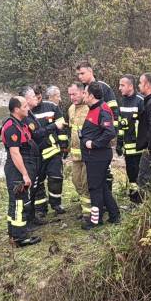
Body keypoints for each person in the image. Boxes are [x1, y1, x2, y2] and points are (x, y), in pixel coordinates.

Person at [0, 95, 41, 247]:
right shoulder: (11, 127)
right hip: (16, 169)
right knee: (19, 203)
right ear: (16, 109)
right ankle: (19, 238)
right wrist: (24, 174)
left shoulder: (20, 123)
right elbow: (15, 153)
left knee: (16, 202)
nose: (28, 108)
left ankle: (14, 234)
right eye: (25, 107)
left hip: (22, 165)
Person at [80, 83, 121, 230]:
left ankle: (95, 220)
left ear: (91, 96)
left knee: (94, 188)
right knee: (101, 186)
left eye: (85, 93)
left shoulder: (103, 109)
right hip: (93, 156)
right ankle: (115, 215)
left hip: (98, 156)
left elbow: (110, 132)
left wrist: (94, 144)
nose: (83, 95)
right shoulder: (93, 108)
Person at [28, 86, 68, 216]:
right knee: (38, 182)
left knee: (56, 178)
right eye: (34, 97)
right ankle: (40, 209)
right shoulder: (25, 111)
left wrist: (64, 145)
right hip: (36, 155)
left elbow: (62, 126)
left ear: (41, 95)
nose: (37, 99)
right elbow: (33, 134)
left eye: (38, 96)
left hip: (52, 151)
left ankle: (56, 204)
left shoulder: (52, 107)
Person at [117, 74, 145, 203]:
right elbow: (121, 123)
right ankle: (134, 198)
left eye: (122, 85)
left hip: (139, 147)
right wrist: (119, 142)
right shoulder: (122, 101)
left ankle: (141, 199)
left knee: (139, 173)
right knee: (130, 173)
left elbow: (145, 125)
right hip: (127, 146)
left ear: (131, 86)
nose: (120, 88)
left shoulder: (140, 101)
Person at [66, 82, 91, 221]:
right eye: (70, 94)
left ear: (83, 93)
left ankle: (88, 213)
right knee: (76, 181)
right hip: (76, 156)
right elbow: (72, 130)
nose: (72, 97)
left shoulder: (90, 108)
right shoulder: (71, 109)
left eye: (74, 94)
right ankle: (84, 207)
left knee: (87, 183)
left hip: (88, 154)